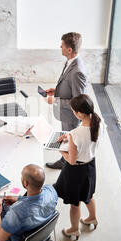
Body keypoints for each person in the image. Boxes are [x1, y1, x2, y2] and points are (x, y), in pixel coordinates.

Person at [53, 94, 105, 241]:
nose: (73, 113)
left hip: (76, 171)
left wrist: (62, 151)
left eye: (74, 111)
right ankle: (92, 218)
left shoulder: (77, 134)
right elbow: (86, 139)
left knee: (75, 203)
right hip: (90, 166)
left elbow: (71, 161)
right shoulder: (98, 122)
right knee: (88, 196)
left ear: (80, 113)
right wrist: (70, 137)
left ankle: (74, 230)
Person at [44, 32, 88, 169]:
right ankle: (64, 162)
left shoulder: (77, 71)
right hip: (66, 114)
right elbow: (68, 85)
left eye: (62, 45)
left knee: (71, 143)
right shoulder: (71, 62)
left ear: (69, 50)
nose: (60, 47)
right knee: (67, 139)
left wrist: (55, 100)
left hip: (71, 116)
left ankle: (67, 166)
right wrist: (56, 91)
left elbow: (78, 102)